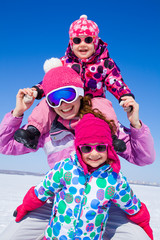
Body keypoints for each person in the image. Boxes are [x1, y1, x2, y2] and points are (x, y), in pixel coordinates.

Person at [0, 66, 155, 240]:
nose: (63, 105)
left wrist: (136, 125)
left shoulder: (103, 125)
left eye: (67, 96)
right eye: (54, 99)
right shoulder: (47, 130)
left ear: (80, 94)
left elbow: (144, 157)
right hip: (58, 202)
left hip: (102, 204)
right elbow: (4, 145)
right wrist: (18, 113)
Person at [13, 112, 153, 240]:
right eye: (87, 148)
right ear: (79, 149)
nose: (94, 154)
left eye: (100, 147)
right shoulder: (65, 168)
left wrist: (144, 225)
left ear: (108, 148)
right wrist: (25, 207)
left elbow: (132, 205)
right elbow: (42, 191)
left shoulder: (113, 179)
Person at [13, 14, 135, 149]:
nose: (82, 44)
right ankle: (33, 132)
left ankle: (109, 136)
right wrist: (36, 90)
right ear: (71, 43)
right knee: (47, 103)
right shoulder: (65, 62)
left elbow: (115, 81)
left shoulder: (105, 64)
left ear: (95, 41)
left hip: (93, 101)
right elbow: (51, 82)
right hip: (69, 100)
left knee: (104, 106)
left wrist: (125, 96)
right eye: (77, 40)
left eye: (88, 40)